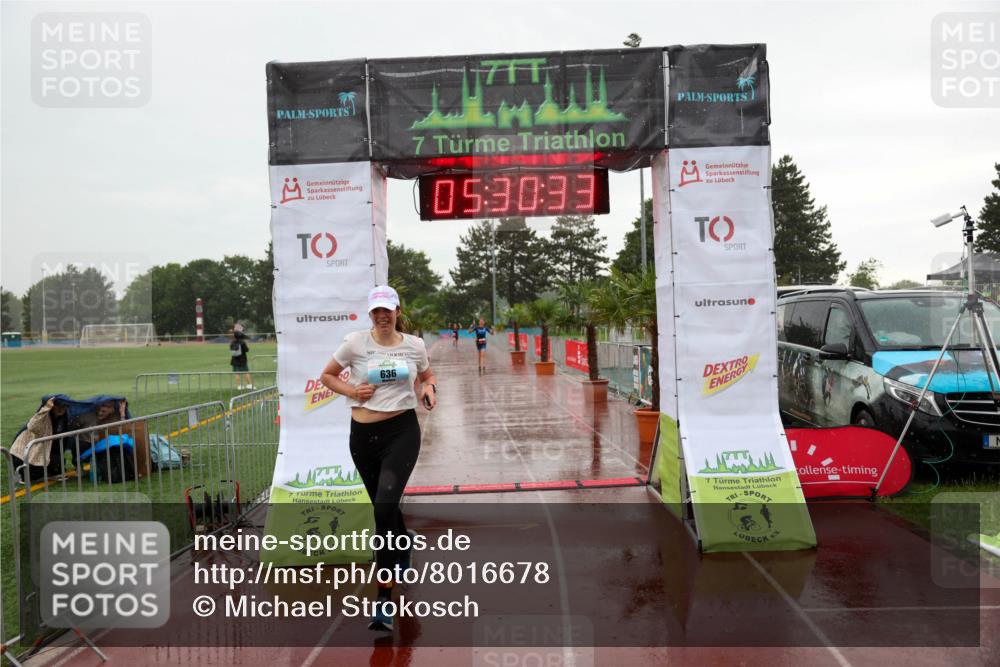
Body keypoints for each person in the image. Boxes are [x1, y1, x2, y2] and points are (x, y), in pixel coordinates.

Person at [319, 285, 437, 632]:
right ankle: (404, 542)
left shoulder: (414, 345)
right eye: (377, 312)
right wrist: (353, 390)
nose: (383, 316)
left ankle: (382, 601)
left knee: (382, 509)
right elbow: (327, 376)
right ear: (370, 314)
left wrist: (429, 389)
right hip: (363, 437)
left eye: (388, 310)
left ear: (398, 311)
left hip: (402, 433)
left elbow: (428, 376)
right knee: (383, 507)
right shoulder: (355, 343)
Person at [10, 397, 70, 483]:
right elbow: (32, 425)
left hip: (42, 449)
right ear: (52, 407)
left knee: (57, 460)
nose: (61, 409)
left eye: (64, 406)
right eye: (58, 406)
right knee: (29, 477)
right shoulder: (42, 417)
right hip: (24, 452)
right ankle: (22, 474)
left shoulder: (63, 419)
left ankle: (50, 472)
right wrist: (45, 408)